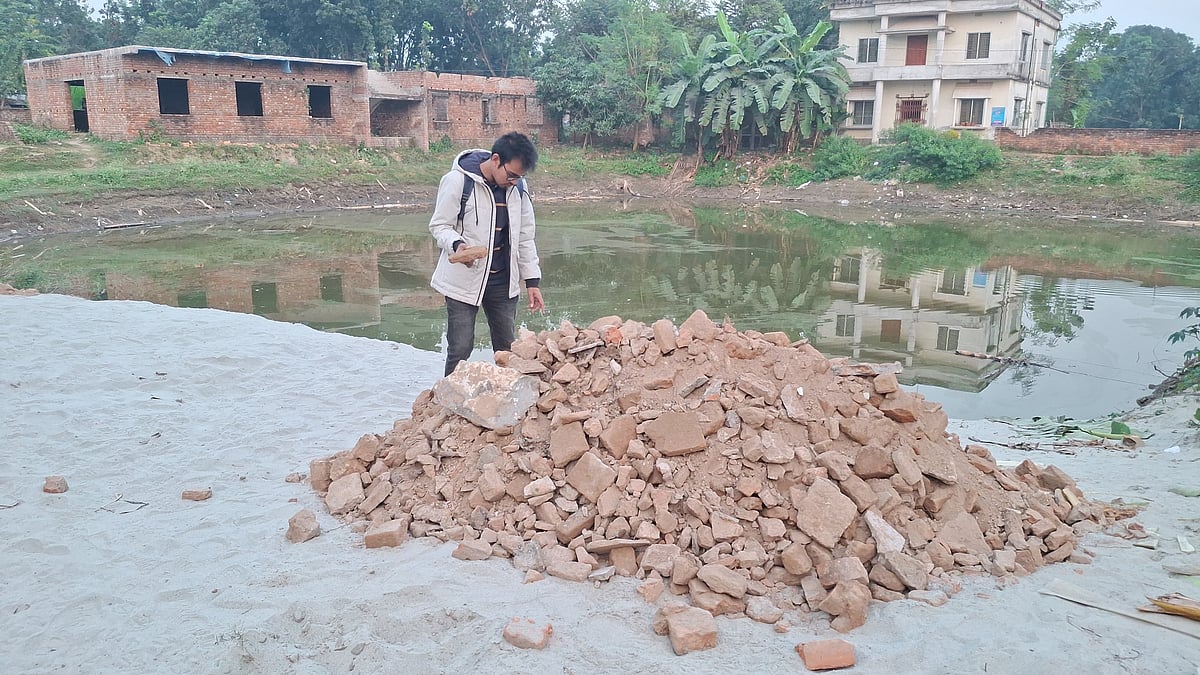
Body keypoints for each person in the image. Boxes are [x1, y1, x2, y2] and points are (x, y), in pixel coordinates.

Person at [429, 132, 546, 377]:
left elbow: (525, 237)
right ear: (495, 159)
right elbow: (440, 226)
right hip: (463, 280)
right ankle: (447, 403)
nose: (514, 181)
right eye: (511, 175)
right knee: (460, 348)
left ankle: (508, 399)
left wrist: (532, 281)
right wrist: (457, 245)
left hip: (503, 282)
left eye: (520, 177)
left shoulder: (518, 189)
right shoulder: (458, 182)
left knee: (507, 348)